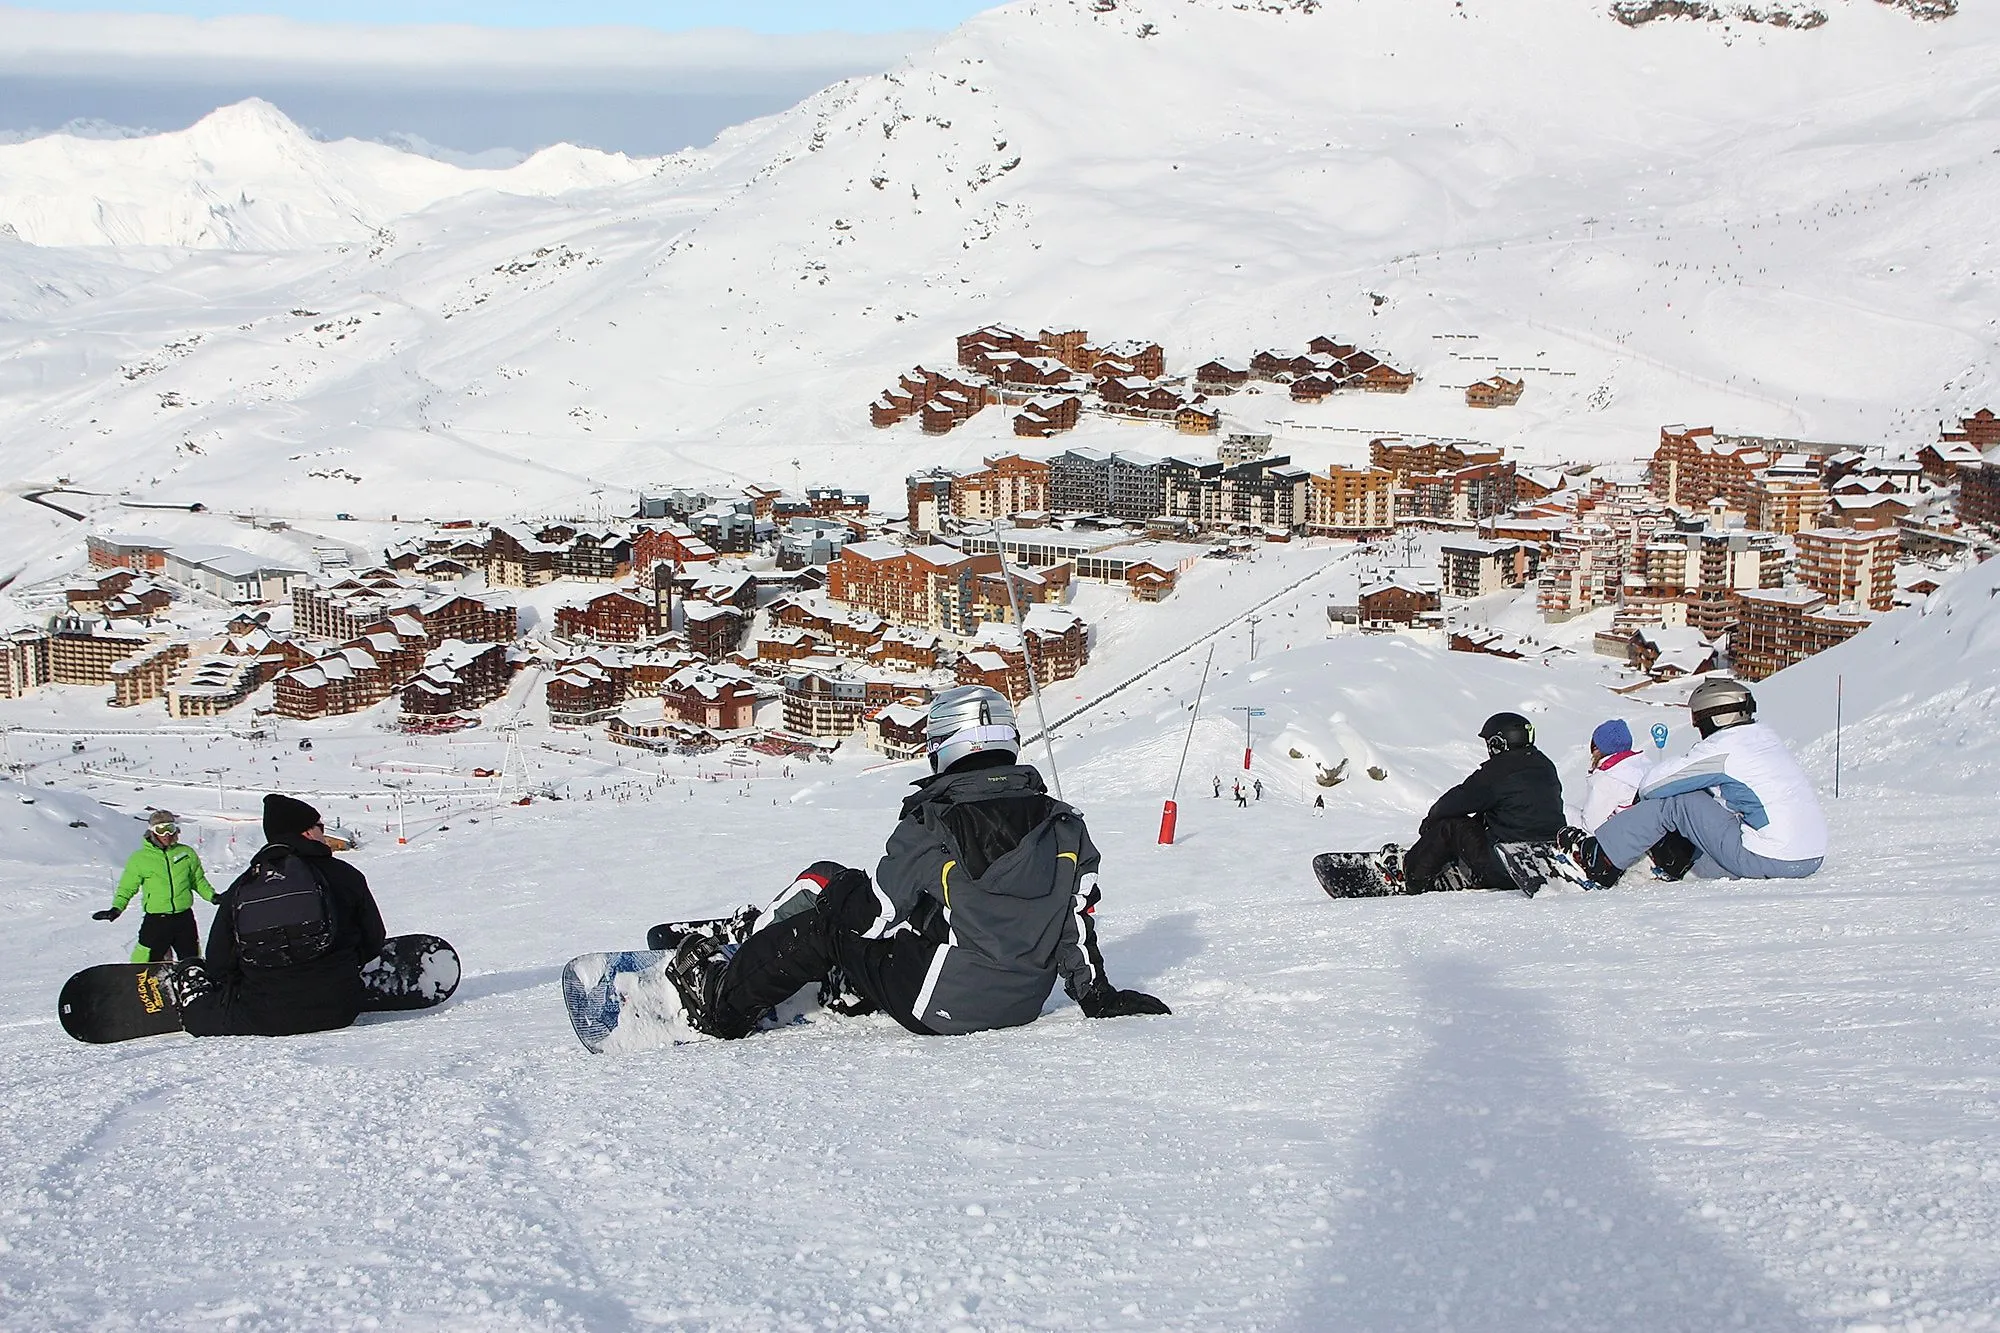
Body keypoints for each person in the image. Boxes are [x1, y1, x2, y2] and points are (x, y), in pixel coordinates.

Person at [666, 685, 1169, 1040]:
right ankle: (815, 965)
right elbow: (1074, 922)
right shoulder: (1065, 826)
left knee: (829, 910)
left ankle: (720, 1005)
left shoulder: (934, 820)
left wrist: (838, 898)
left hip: (941, 1004)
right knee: (929, 910)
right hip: (1020, 1004)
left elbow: (873, 915)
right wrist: (1096, 995)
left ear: (945, 747)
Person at [1565, 679, 1826, 887]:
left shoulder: (1723, 747)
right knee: (1706, 798)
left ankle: (1600, 860)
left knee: (1677, 800)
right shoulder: (1764, 738)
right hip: (1810, 855)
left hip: (1770, 859)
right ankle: (1673, 859)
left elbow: (1652, 786)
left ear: (1712, 719)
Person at [181, 794, 388, 1038]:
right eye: (320, 827)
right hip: (340, 1009)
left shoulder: (242, 887)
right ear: (307, 833)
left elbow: (219, 963)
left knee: (199, 1016)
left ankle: (190, 983)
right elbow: (374, 939)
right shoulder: (345, 875)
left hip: (263, 1016)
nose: (324, 833)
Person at [1398, 712, 1564, 892]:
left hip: (1504, 866)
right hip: (1542, 861)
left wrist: (1430, 823)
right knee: (1484, 816)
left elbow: (1456, 801)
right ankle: (1459, 868)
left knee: (1450, 826)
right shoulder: (1544, 765)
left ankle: (1411, 879)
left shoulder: (1497, 771)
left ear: (1497, 743)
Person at [94, 809, 216, 963]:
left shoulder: (186, 853)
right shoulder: (140, 859)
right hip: (157, 920)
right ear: (152, 832)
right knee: (145, 961)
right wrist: (117, 908)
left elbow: (197, 880)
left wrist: (213, 896)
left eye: (170, 829)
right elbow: (127, 887)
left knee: (191, 960)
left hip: (184, 919)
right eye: (161, 830)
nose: (166, 835)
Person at [1578, 719, 1651, 832]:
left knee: (1565, 813)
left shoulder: (1609, 778)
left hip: (1622, 839)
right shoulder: (1644, 764)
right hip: (1645, 834)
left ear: (1597, 749)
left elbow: (1591, 825)